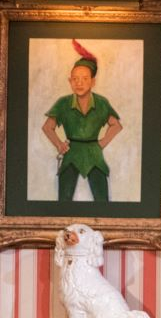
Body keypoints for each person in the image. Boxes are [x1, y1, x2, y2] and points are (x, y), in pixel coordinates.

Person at [41, 39, 123, 202]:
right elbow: (47, 127)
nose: (79, 83)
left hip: (94, 154)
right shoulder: (63, 103)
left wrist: (101, 144)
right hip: (71, 153)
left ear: (93, 81)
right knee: (64, 199)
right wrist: (59, 144)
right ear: (70, 81)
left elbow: (116, 125)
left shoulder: (101, 103)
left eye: (85, 79)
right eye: (75, 79)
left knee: (102, 198)